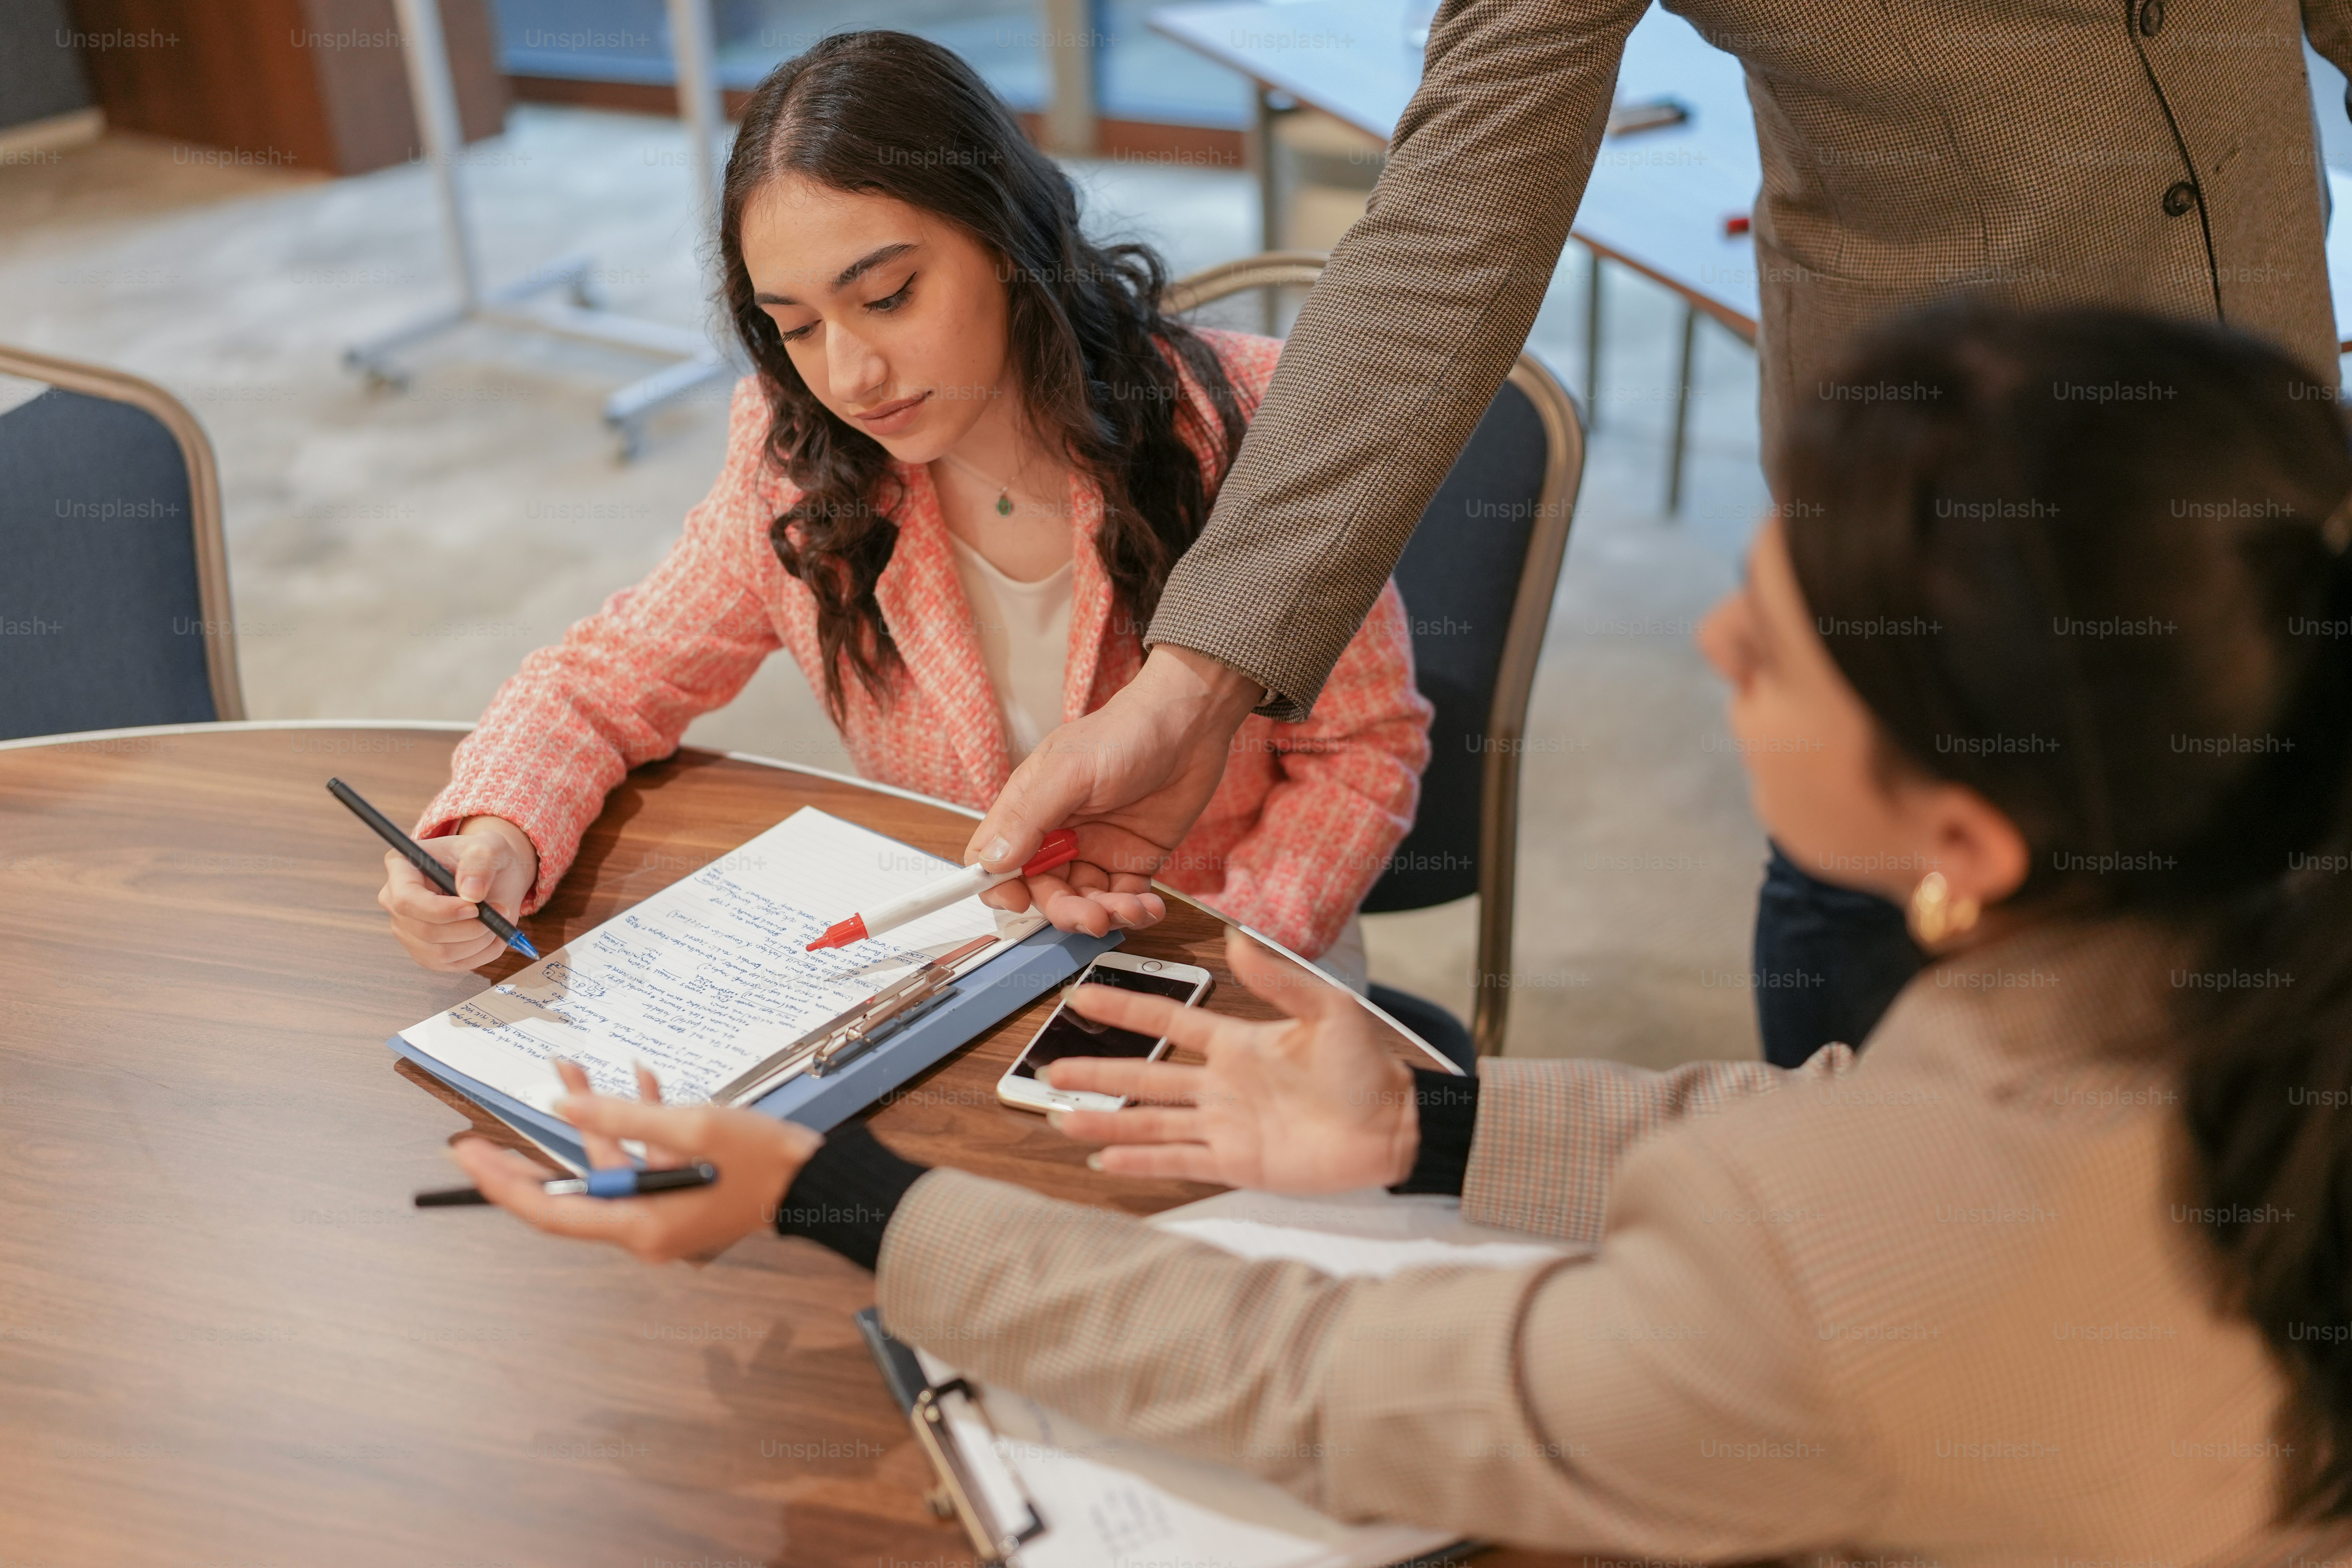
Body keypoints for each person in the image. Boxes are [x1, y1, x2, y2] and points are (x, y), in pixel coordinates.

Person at [448, 304, 2352, 1560]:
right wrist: (1436, 1130)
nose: (1702, 640)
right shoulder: (2230, 947)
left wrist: (834, 1193)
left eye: (1766, 642)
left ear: (1960, 836)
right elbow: (1848, 1126)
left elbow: (1336, 1382)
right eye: (793, 317)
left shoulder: (1230, 428)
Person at [959, 0, 2352, 1068]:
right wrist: (1198, 675)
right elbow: (1457, 218)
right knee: (1881, 979)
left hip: (2282, 476)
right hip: (1946, 535)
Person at [372, 32, 1432, 990]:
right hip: (971, 956)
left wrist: (1239, 951)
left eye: (886, 297)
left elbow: (1361, 752)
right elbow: (605, 683)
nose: (853, 373)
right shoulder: (794, 460)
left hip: (1230, 946)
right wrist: (499, 826)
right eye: (795, 327)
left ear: (1008, 239)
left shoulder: (1249, 423)